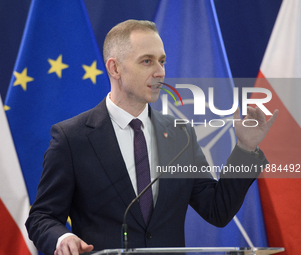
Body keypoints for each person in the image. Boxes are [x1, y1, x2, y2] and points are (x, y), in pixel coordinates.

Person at [25, 20, 278, 255]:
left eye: (162, 61)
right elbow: (41, 217)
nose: (160, 72)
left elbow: (217, 210)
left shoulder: (181, 134)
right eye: (147, 61)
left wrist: (246, 148)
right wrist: (61, 238)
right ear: (115, 68)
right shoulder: (73, 137)